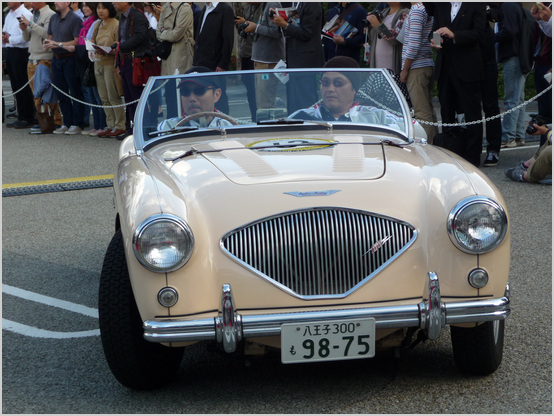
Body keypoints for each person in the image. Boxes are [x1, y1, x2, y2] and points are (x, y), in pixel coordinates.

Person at [427, 3, 486, 168]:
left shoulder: (476, 6)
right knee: (446, 110)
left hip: (468, 65)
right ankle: (449, 153)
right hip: (445, 64)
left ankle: (473, 158)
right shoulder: (442, 5)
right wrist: (436, 41)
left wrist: (454, 35)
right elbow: (435, 29)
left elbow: (479, 33)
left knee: (472, 112)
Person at [288, 56, 405, 133]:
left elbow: (414, 130)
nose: (330, 89)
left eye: (338, 83)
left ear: (354, 88)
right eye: (325, 83)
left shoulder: (376, 116)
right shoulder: (300, 117)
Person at [271, 2, 325, 114]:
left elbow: (307, 33)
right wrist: (279, 20)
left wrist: (285, 24)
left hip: (305, 61)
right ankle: (295, 125)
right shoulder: (297, 3)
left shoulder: (312, 4)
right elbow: (294, 27)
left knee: (305, 100)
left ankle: (308, 126)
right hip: (294, 59)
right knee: (294, 101)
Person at [43, 1, 86, 135]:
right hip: (56, 59)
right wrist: (47, 43)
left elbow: (76, 40)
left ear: (68, 2)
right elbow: (50, 38)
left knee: (74, 91)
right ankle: (66, 122)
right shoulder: (54, 18)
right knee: (61, 92)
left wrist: (57, 43)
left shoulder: (75, 19)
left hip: (70, 58)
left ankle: (78, 123)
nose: (55, 2)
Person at [19, 1, 63, 133]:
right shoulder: (34, 14)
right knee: (36, 93)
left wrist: (31, 24)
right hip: (32, 56)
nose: (31, 3)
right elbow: (28, 37)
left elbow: (48, 35)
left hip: (45, 57)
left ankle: (56, 121)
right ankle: (43, 120)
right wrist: (24, 29)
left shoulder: (51, 15)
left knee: (48, 92)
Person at [238, 2, 284, 120]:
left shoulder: (272, 4)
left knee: (265, 104)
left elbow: (276, 31)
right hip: (260, 60)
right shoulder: (261, 6)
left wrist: (256, 27)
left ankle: (268, 131)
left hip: (268, 62)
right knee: (261, 102)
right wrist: (252, 26)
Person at [400, 2, 437, 143]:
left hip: (416, 67)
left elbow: (414, 43)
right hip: (427, 63)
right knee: (429, 111)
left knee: (421, 113)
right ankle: (435, 145)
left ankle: (427, 150)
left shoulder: (417, 10)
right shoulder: (426, 9)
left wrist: (405, 69)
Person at [113, 1, 152, 138]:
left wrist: (123, 46)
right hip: (125, 60)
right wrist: (117, 63)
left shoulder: (136, 15)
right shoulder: (123, 17)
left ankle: (139, 130)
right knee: (128, 97)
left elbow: (142, 36)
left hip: (135, 61)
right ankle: (130, 130)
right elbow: (120, 41)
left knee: (136, 97)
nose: (113, 3)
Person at [157, 66, 233, 131]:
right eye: (185, 91)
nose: (192, 98)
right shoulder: (167, 127)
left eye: (199, 90)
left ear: (216, 95)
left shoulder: (230, 127)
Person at [496, 2, 529, 149]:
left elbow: (509, 30)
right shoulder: (517, 7)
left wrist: (492, 38)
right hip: (522, 56)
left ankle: (508, 137)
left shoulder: (507, 6)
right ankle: (518, 135)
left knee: (511, 100)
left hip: (512, 56)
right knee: (519, 98)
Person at [193, 2, 234, 115]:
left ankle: (224, 124)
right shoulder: (205, 9)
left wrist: (223, 64)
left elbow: (228, 39)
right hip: (202, 62)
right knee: (204, 98)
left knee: (218, 97)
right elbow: (199, 37)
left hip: (215, 64)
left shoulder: (225, 9)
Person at [91, 2, 125, 137]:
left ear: (110, 9)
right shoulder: (97, 24)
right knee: (103, 97)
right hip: (98, 62)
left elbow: (119, 46)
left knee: (113, 96)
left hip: (110, 63)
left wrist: (107, 51)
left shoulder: (116, 24)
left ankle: (120, 124)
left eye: (103, 8)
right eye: (98, 8)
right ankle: (110, 124)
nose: (100, 11)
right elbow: (93, 40)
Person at [3, 2, 36, 129]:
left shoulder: (25, 14)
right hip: (11, 51)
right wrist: (5, 37)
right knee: (15, 85)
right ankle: (21, 115)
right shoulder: (9, 15)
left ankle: (29, 116)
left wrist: (9, 39)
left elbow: (25, 38)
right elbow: (5, 32)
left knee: (23, 84)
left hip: (21, 52)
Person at [75, 2, 106, 136]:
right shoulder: (85, 23)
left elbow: (91, 42)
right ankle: (97, 124)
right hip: (85, 60)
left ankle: (102, 125)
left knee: (98, 95)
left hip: (94, 60)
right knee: (91, 94)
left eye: (87, 6)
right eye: (83, 6)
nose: (84, 8)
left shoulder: (96, 23)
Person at [480, 3, 503, 167]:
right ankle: (466, 147)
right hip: (459, 56)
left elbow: (498, 14)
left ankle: (493, 149)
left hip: (485, 56)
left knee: (490, 105)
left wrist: (486, 9)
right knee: (464, 106)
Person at [234, 2, 263, 121]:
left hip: (256, 55)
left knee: (258, 92)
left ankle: (260, 119)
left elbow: (260, 27)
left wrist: (245, 22)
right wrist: (240, 25)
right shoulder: (247, 8)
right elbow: (243, 30)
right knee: (250, 92)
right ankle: (253, 118)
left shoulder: (264, 7)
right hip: (245, 53)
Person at [367, 2, 411, 73]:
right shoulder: (384, 12)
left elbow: (397, 39)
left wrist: (378, 25)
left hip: (392, 63)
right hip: (377, 61)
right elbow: (373, 37)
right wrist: (370, 26)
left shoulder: (404, 13)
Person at [531, 2, 552, 148]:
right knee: (544, 113)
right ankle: (542, 153)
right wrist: (541, 20)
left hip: (548, 63)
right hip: (541, 63)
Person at [157, 2, 194, 76]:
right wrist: (169, 33)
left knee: (180, 84)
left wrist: (164, 31)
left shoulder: (185, 8)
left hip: (180, 57)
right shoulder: (165, 7)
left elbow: (176, 35)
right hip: (166, 56)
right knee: (167, 85)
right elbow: (158, 34)